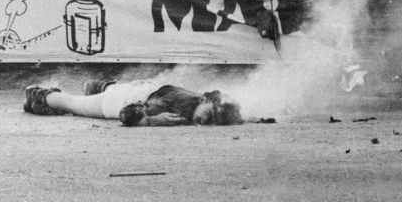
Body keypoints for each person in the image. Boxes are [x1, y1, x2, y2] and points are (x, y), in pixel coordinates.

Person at [23, 79, 243, 126]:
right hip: (118, 101)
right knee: (72, 104)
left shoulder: (195, 101)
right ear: (204, 100)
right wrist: (152, 121)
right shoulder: (179, 102)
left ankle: (99, 86)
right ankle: (38, 94)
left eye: (215, 121)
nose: (208, 121)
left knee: (115, 89)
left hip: (138, 89)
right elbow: (126, 115)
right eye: (211, 114)